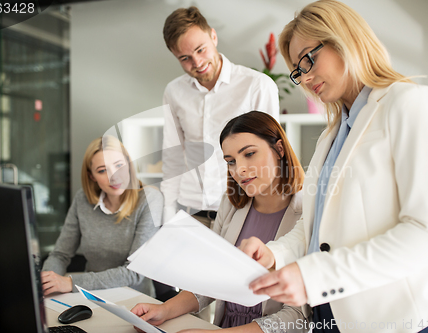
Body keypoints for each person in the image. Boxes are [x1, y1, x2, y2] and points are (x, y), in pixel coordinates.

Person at [239, 1, 428, 333]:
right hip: (330, 318)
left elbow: (427, 234)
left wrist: (316, 275)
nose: (305, 76)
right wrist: (273, 254)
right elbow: (315, 232)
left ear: (345, 38)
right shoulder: (331, 135)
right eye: (298, 70)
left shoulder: (412, 104)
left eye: (309, 59)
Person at [131, 111, 309, 333]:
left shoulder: (307, 211)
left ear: (279, 150)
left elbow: (299, 316)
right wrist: (164, 310)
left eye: (250, 154)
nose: (239, 170)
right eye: (231, 161)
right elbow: (211, 280)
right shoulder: (231, 204)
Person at [160, 6, 280, 230]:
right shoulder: (174, 92)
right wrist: (167, 217)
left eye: (201, 49)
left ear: (213, 36)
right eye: (185, 58)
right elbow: (173, 156)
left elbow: (271, 157)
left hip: (240, 212)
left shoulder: (256, 85)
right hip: (189, 213)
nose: (196, 62)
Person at [41, 135, 162, 297]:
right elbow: (60, 255)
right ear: (92, 176)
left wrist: (70, 282)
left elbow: (134, 272)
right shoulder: (82, 200)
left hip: (134, 301)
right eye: (102, 170)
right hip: (89, 296)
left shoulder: (150, 199)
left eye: (119, 165)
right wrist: (47, 283)